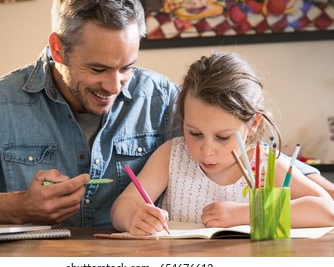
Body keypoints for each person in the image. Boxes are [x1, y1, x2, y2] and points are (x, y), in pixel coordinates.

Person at [0, 0, 330, 227]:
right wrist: (17, 207)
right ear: (58, 49)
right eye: (97, 69)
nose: (115, 87)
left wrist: (306, 184)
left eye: (126, 67)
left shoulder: (163, 97)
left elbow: (234, 141)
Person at [110, 52, 334, 235]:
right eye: (195, 133)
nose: (206, 151)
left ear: (253, 124)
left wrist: (246, 214)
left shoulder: (265, 164)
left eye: (223, 137)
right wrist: (133, 218)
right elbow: (122, 206)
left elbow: (327, 209)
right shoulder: (171, 155)